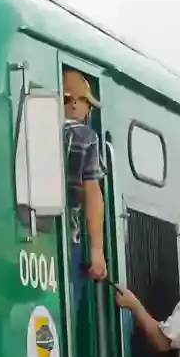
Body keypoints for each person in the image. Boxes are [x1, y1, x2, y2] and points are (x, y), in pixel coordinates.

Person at [62, 68, 108, 312]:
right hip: (70, 238)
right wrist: (97, 250)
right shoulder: (85, 137)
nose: (89, 110)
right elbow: (92, 193)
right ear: (73, 102)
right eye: (86, 103)